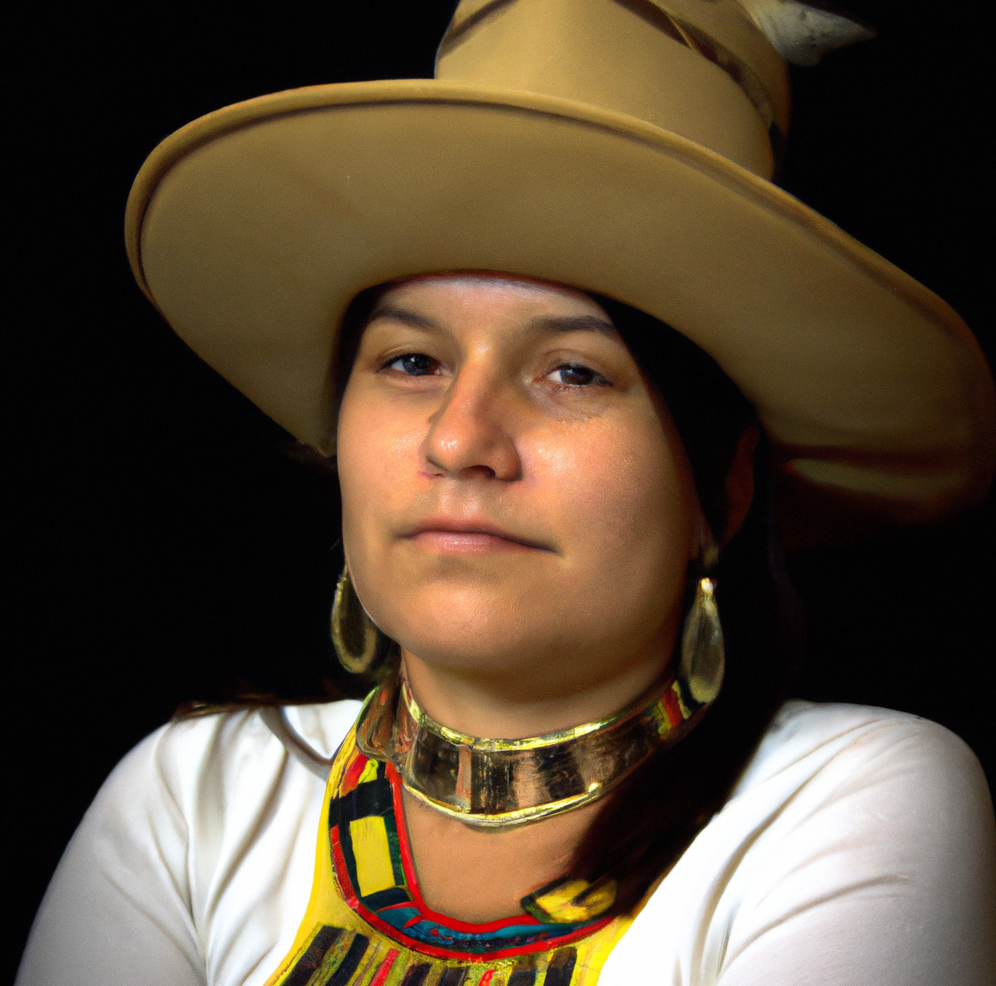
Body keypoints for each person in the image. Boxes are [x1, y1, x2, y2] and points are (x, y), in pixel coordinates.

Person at [16, 1, 996, 984]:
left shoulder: (844, 794)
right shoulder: (195, 796)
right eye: (409, 360)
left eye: (573, 371)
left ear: (724, 488)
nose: (458, 439)